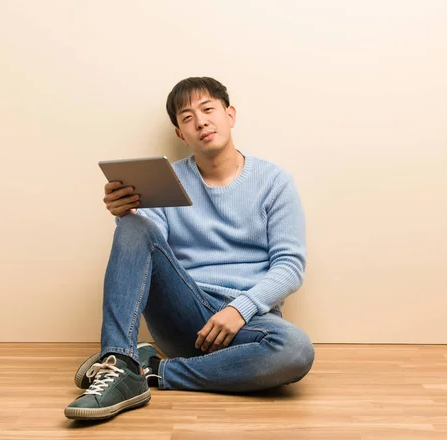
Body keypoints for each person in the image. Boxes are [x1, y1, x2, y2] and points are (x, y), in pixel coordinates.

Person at [64, 77, 314, 421]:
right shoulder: (167, 182)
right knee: (136, 226)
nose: (200, 121)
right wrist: (128, 215)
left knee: (296, 350)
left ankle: (151, 371)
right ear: (181, 134)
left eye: (208, 109)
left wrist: (239, 309)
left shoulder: (275, 181)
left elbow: (289, 266)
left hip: (247, 325)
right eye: (187, 117)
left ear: (230, 115)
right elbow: (150, 248)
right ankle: (118, 361)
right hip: (185, 316)